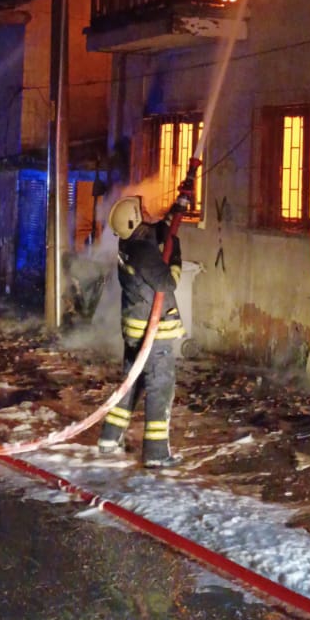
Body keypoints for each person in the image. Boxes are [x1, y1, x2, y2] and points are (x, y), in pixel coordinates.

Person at [97, 194, 185, 467]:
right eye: (142, 210)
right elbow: (167, 284)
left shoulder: (131, 242)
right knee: (160, 388)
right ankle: (156, 454)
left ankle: (109, 438)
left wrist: (178, 208)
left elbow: (158, 230)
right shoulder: (144, 253)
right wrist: (176, 253)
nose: (147, 210)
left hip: (135, 328)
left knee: (131, 384)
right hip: (153, 333)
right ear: (135, 220)